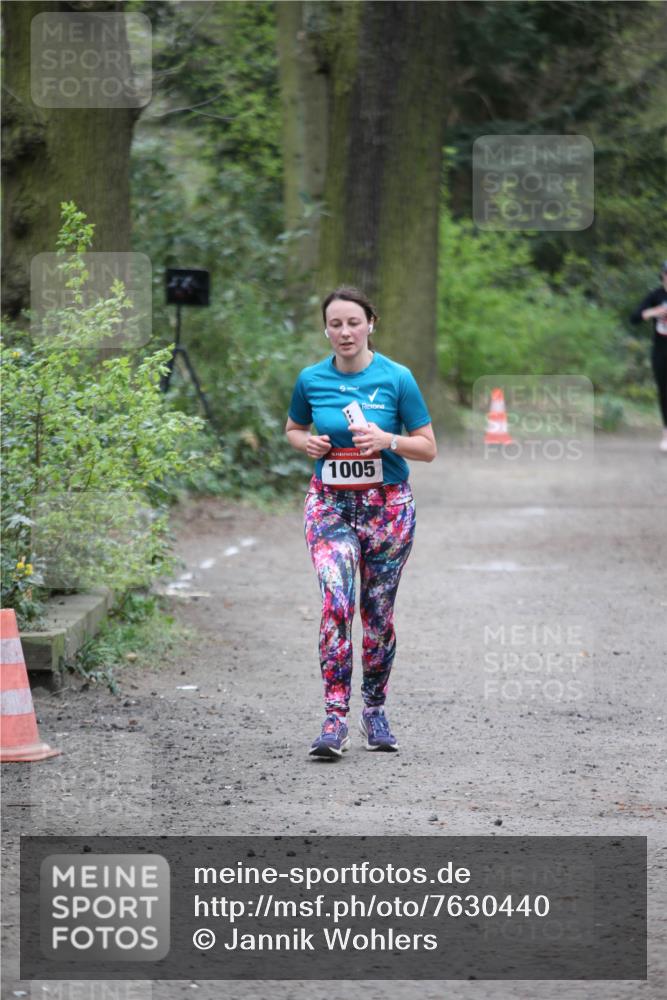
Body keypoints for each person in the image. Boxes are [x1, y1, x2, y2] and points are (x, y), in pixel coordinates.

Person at [285, 286, 437, 759]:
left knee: (377, 615)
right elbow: (293, 429)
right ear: (326, 329)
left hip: (388, 509)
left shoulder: (397, 378)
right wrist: (305, 443)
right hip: (329, 505)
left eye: (353, 322)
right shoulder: (311, 379)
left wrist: (387, 439)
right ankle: (334, 718)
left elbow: (427, 447)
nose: (344, 332)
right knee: (336, 602)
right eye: (335, 324)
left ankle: (374, 710)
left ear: (371, 323)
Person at [630, 261, 667, 452]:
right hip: (661, 351)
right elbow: (634, 317)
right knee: (664, 391)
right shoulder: (655, 295)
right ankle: (666, 434)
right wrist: (655, 312)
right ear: (662, 276)